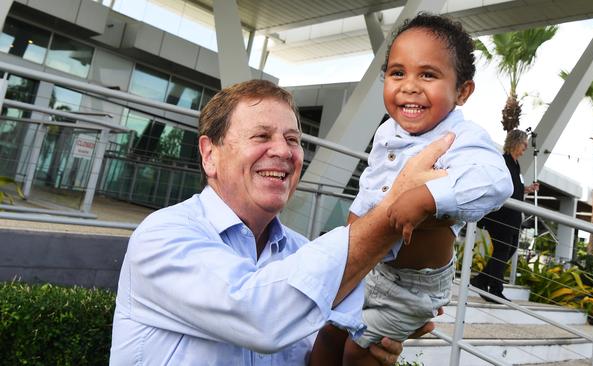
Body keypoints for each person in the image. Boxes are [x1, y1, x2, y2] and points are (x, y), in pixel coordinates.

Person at [110, 79, 456, 365]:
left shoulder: (302, 252)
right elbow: (260, 317)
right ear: (209, 154)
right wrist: (394, 210)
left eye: (293, 139)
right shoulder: (162, 236)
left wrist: (370, 340)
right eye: (261, 136)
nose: (284, 151)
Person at [309, 13, 513, 366]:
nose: (409, 85)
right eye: (397, 72)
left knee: (361, 351)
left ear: (462, 91)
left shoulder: (460, 137)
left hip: (409, 285)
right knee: (327, 333)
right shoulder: (388, 130)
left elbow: (496, 180)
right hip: (365, 266)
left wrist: (427, 197)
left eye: (428, 74)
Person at [470, 129, 540, 302]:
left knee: (511, 248)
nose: (525, 147)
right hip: (502, 215)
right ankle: (494, 288)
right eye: (524, 143)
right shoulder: (503, 162)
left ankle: (482, 280)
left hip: (513, 216)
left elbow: (513, 187)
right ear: (515, 142)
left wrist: (527, 189)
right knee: (502, 250)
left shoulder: (516, 164)